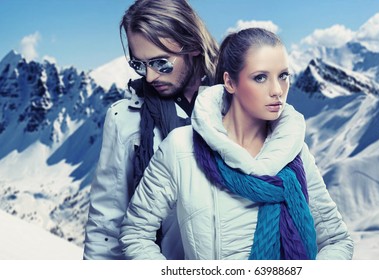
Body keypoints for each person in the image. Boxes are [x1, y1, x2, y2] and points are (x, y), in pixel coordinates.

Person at [119, 27, 354, 260]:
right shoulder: (180, 148)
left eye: (283, 76)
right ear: (230, 82)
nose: (277, 91)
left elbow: (336, 241)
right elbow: (136, 233)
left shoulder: (295, 153)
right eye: (260, 77)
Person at [82, 0, 220, 260]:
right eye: (139, 65)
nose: (150, 77)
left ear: (191, 45)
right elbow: (106, 229)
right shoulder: (124, 119)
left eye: (161, 63)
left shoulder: (241, 104)